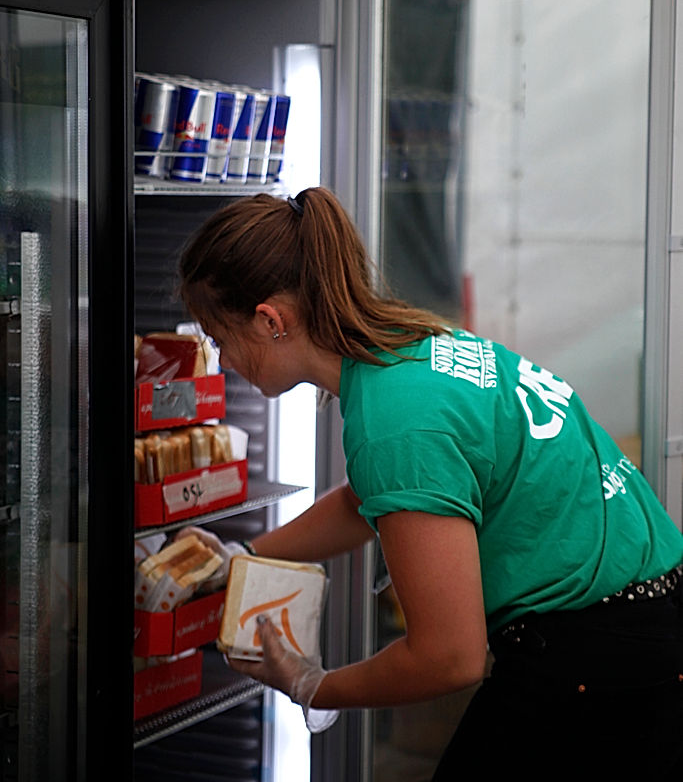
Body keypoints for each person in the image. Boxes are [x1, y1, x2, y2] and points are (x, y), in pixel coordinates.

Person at [178, 186, 683, 777]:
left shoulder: (396, 425)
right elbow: (373, 500)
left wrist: (315, 686)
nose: (223, 360)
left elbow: (450, 659)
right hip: (650, 618)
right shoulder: (413, 345)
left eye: (220, 338)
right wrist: (245, 554)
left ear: (270, 320)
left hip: (599, 661)